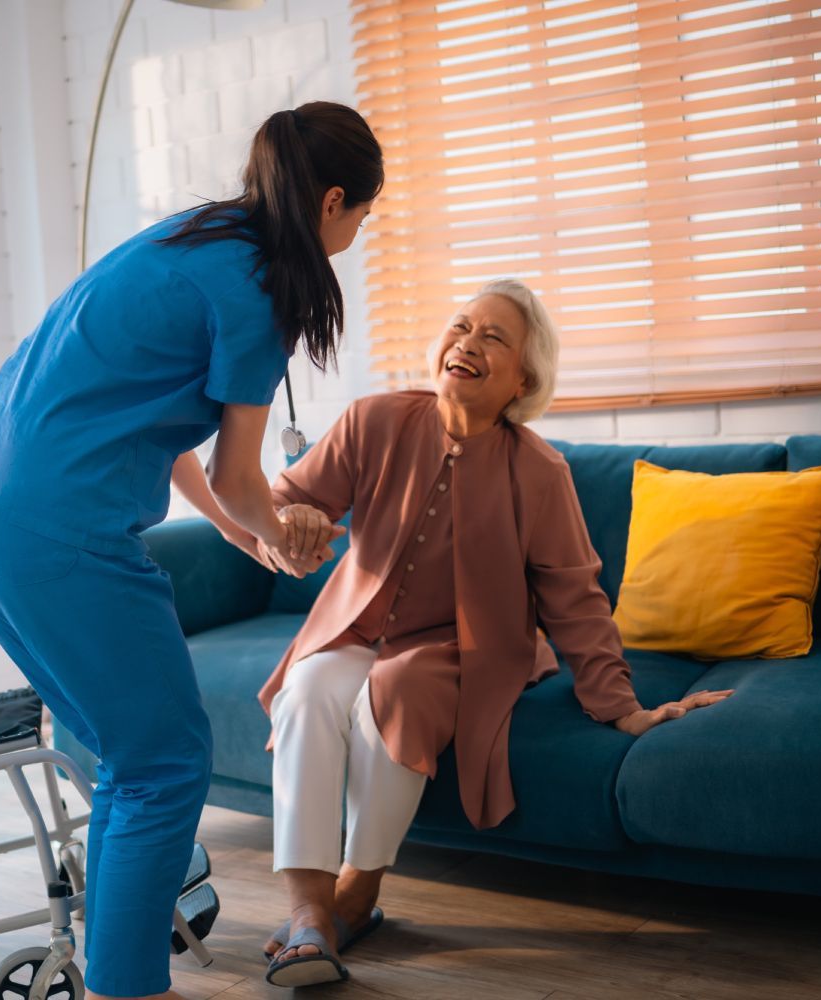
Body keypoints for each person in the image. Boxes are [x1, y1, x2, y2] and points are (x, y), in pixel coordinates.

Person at [0, 102, 382, 1000]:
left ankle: (117, 974)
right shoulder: (263, 287)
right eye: (362, 215)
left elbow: (159, 420)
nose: (357, 233)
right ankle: (129, 987)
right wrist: (282, 537)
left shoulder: (192, 238)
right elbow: (243, 477)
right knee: (166, 760)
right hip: (60, 527)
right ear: (334, 199)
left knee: (125, 756)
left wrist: (231, 527)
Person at [255, 279, 734, 989]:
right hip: (354, 625)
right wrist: (287, 522)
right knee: (307, 691)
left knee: (396, 690)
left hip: (458, 647)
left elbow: (575, 597)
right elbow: (284, 501)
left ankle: (357, 893)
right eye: (460, 326)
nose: (468, 343)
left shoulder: (540, 471)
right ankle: (307, 914)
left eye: (494, 338)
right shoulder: (372, 420)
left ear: (523, 379)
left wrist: (621, 706)